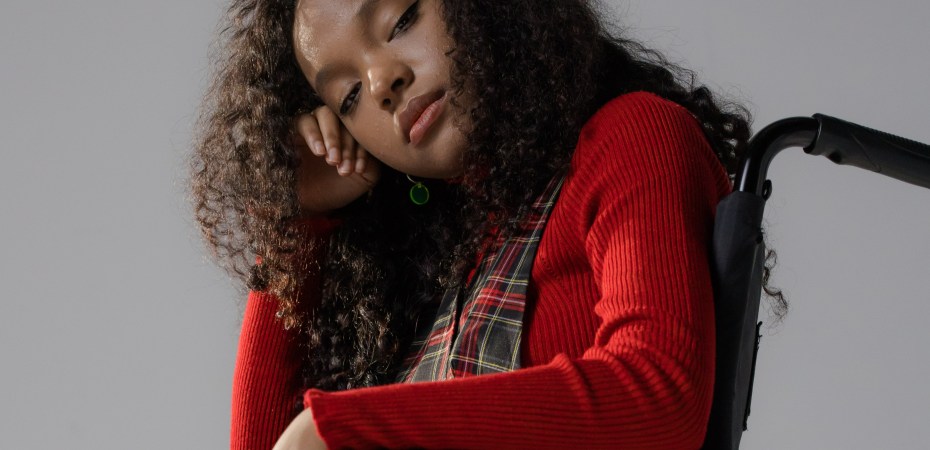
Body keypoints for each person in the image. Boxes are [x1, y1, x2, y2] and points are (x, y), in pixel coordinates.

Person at [191, 0, 780, 448]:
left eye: (399, 22)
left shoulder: (633, 137)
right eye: (347, 98)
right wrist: (304, 226)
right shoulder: (414, 264)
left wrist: (342, 429)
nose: (380, 83)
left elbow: (658, 397)